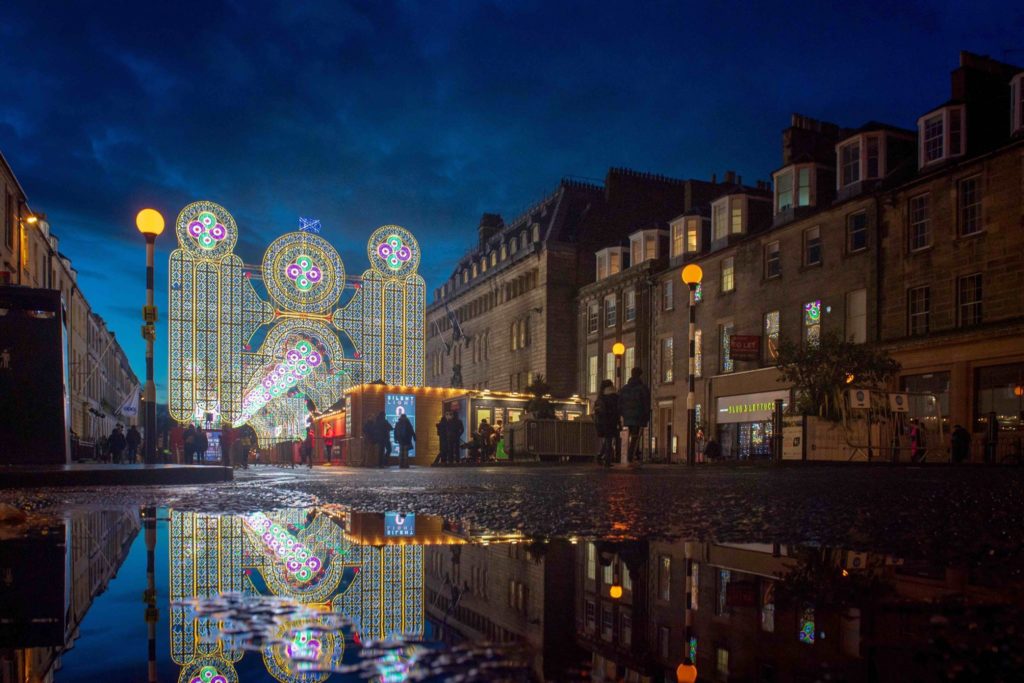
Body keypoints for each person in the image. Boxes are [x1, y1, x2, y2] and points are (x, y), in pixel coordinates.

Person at [618, 367, 651, 465]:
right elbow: (646, 403)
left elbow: (620, 402)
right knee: (635, 436)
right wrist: (646, 416)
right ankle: (631, 455)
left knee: (628, 435)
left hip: (627, 416)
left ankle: (630, 454)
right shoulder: (643, 388)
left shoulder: (624, 388)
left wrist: (622, 413)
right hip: (638, 415)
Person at [593, 379, 621, 467]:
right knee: (609, 440)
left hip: (602, 421)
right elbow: (618, 410)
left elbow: (597, 411)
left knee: (608, 439)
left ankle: (601, 456)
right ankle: (607, 460)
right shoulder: (615, 396)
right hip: (612, 420)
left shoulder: (601, 397)